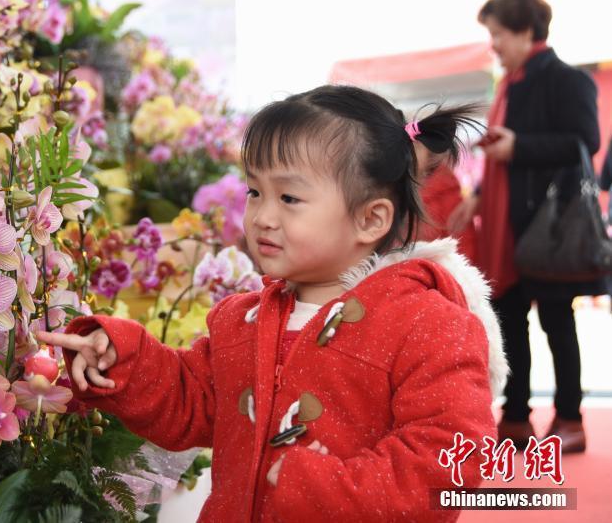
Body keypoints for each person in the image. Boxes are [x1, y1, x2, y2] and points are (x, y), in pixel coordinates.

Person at [38, 86, 507, 522]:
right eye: (255, 192)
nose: (262, 216)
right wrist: (123, 357)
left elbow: (448, 459)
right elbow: (194, 402)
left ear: (371, 219)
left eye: (289, 197)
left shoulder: (429, 324)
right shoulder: (244, 318)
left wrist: (321, 488)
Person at [448, 0, 602, 454]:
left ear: (523, 30)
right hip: (505, 223)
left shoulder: (564, 79)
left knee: (558, 323)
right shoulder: (510, 83)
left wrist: (519, 146)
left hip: (547, 228)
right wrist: (476, 196)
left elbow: (585, 142)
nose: (492, 44)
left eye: (497, 34)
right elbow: (505, 154)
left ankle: (570, 418)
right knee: (510, 321)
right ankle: (516, 417)